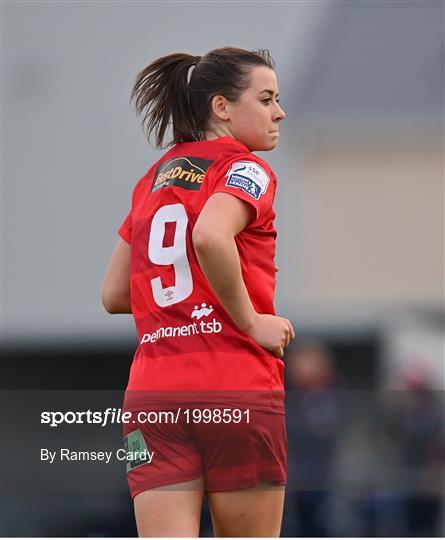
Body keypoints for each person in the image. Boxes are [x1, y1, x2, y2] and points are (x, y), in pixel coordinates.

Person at [102, 47, 295, 537]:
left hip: (153, 396)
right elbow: (210, 235)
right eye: (267, 98)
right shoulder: (244, 169)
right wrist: (251, 321)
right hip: (235, 383)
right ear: (221, 107)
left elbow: (114, 293)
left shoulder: (151, 180)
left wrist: (185, 307)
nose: (279, 112)